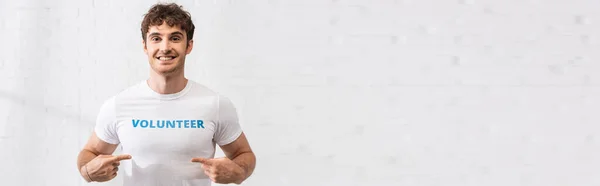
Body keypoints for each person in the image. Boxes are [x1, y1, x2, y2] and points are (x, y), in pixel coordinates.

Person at [76, 3, 256, 186]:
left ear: (189, 46)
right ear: (145, 46)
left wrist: (239, 172)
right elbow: (89, 153)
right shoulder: (118, 104)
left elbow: (244, 154)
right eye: (156, 38)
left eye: (175, 38)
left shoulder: (215, 104)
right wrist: (88, 171)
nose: (165, 47)